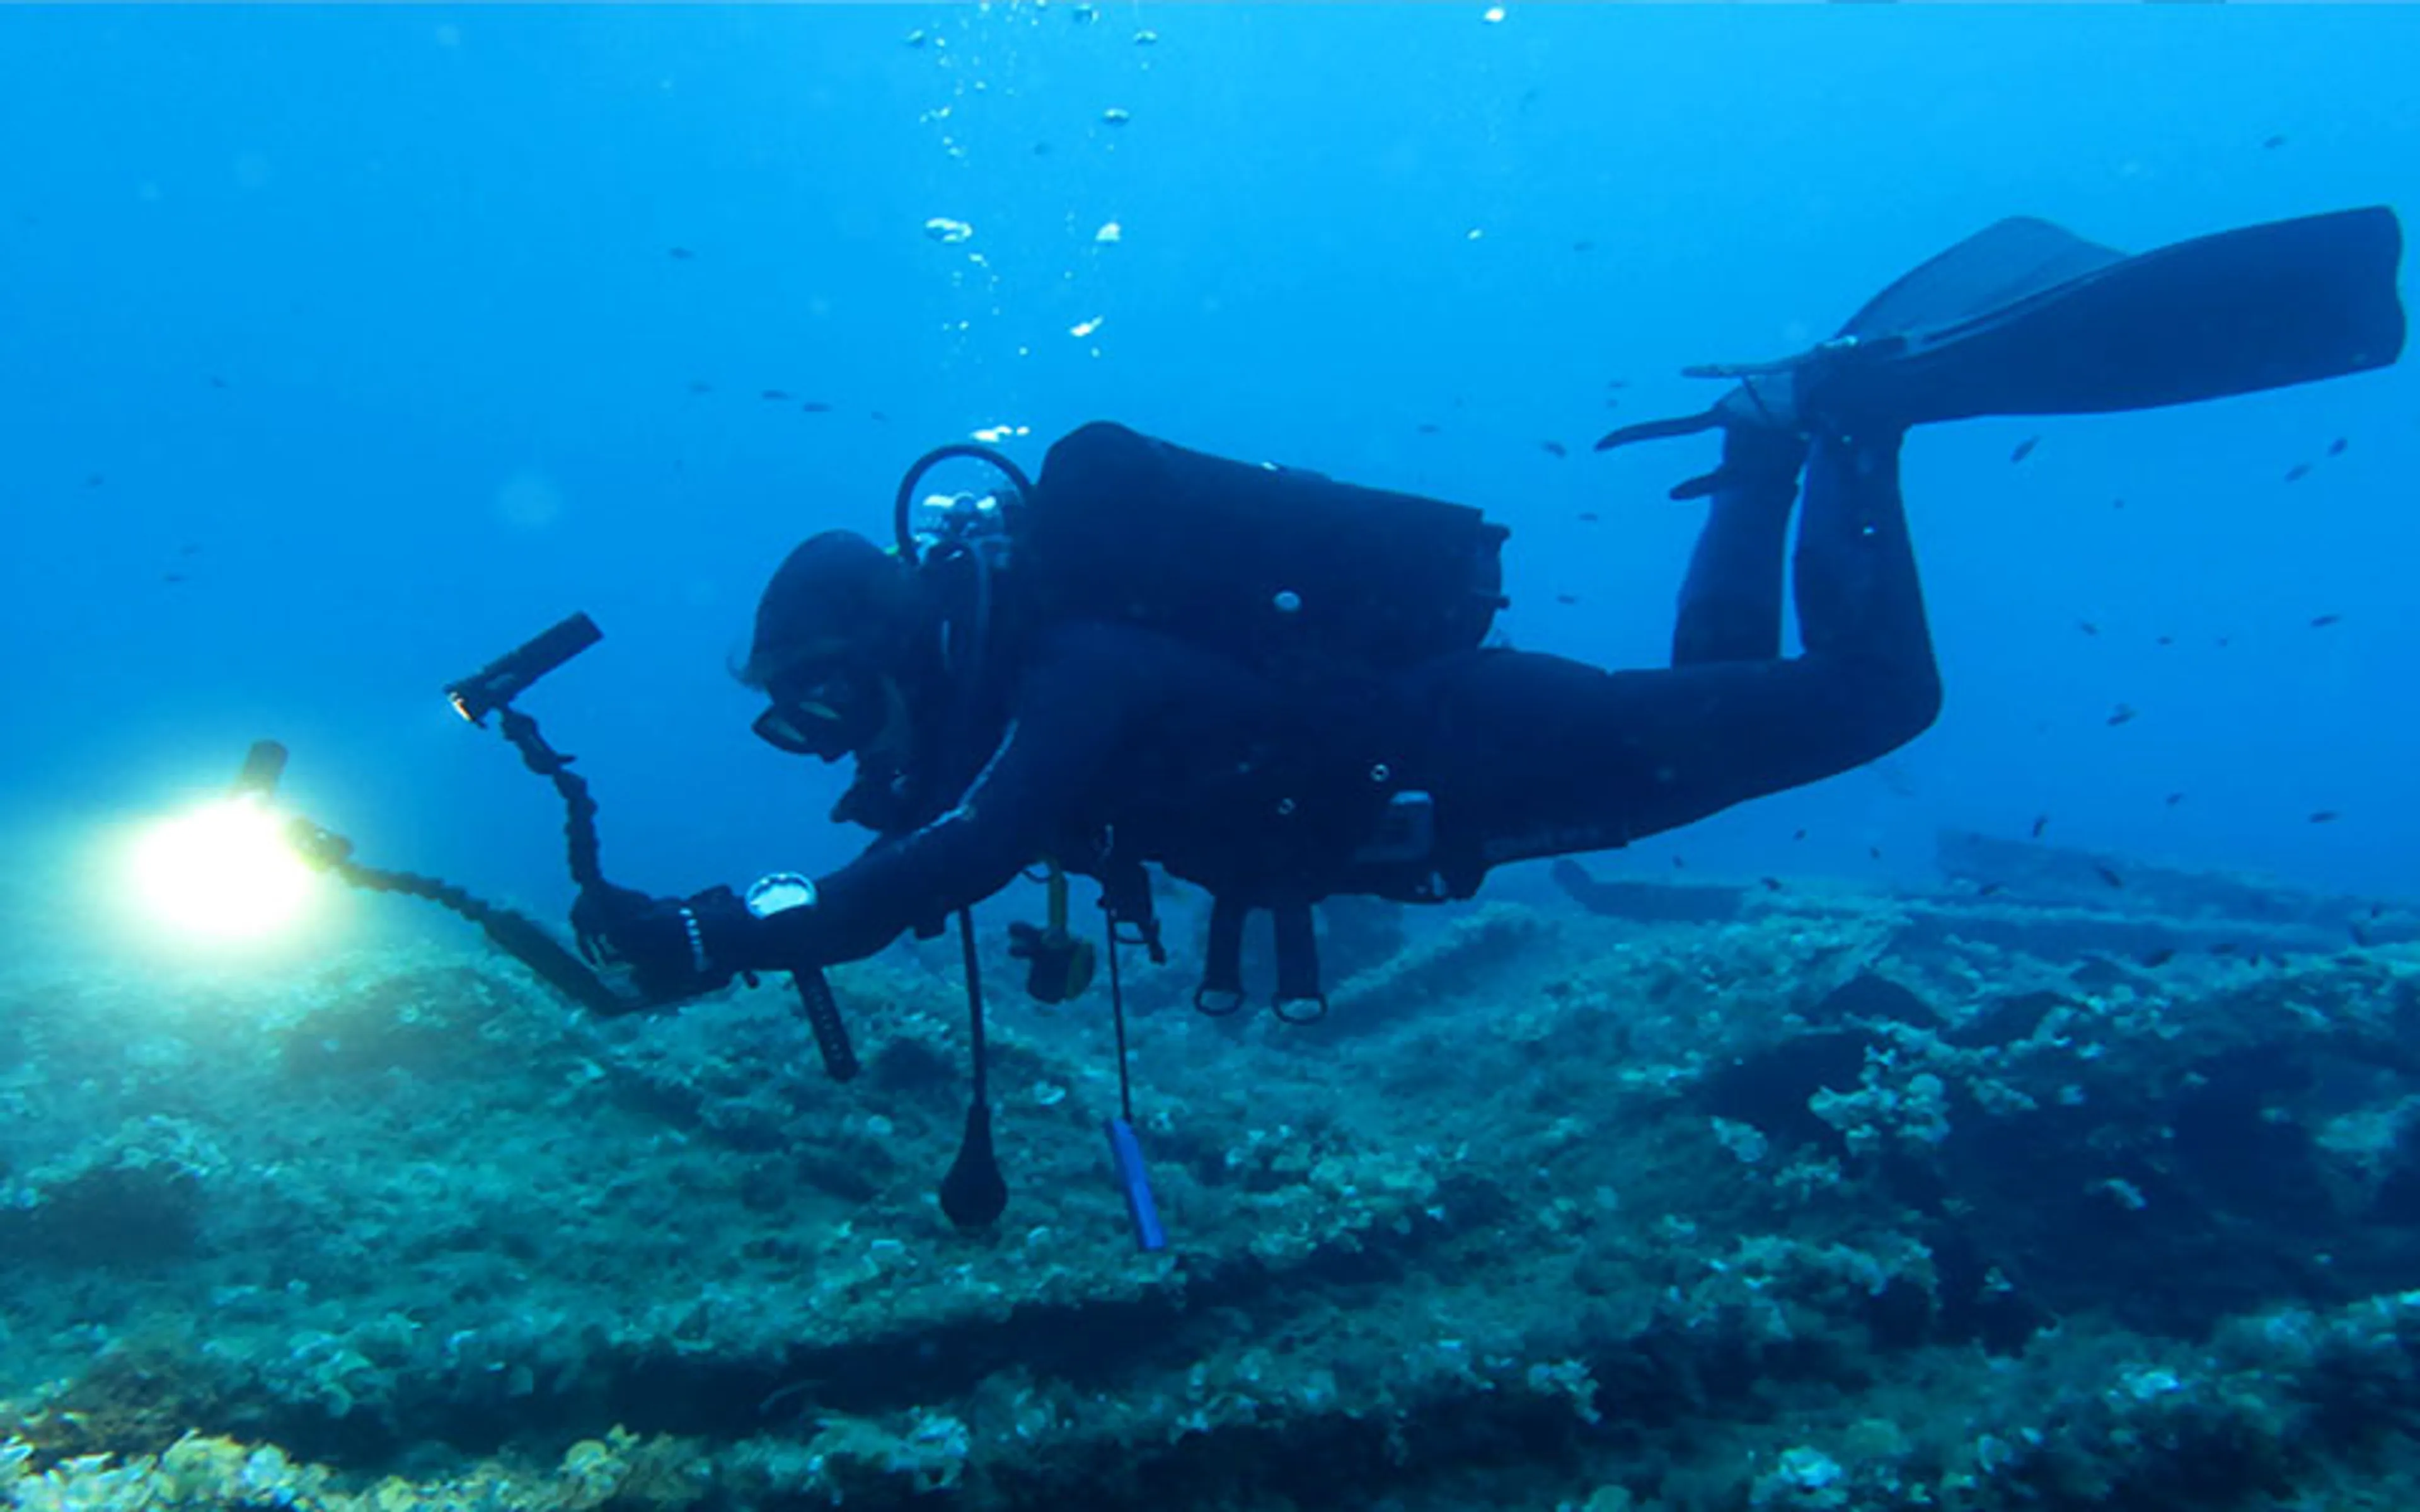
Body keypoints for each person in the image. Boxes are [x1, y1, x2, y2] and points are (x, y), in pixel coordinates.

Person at [574, 207, 2404, 1010]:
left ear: (886, 645)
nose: (827, 750)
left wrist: (730, 932)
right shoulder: (1049, 672)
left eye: (820, 707)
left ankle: (1857, 422)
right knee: (1741, 701)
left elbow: (959, 856)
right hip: (1490, 780)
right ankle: (1776, 452)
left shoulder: (1076, 663)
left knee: (1871, 704)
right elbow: (944, 839)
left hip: (1498, 757)